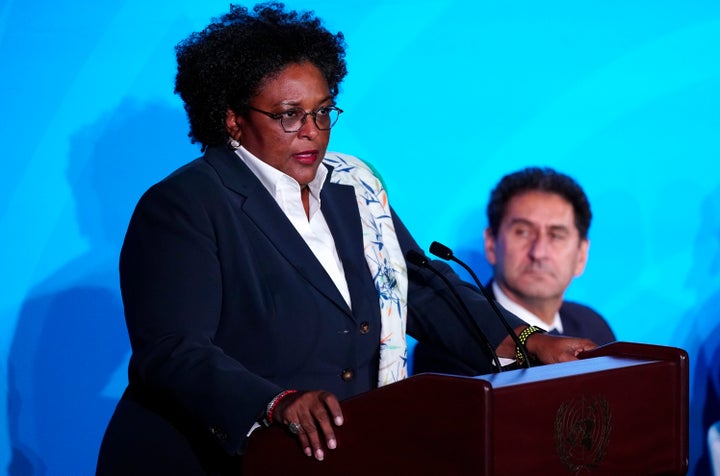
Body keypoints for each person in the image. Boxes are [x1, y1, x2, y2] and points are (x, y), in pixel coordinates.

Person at [95, 5, 597, 475]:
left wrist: (529, 341)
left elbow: (415, 288)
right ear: (233, 119)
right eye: (289, 114)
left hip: (331, 456)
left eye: (322, 112)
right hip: (209, 460)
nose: (312, 131)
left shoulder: (351, 186)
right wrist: (274, 403)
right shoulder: (185, 205)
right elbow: (172, 351)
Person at [414, 167, 615, 375]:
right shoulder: (450, 340)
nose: (539, 252)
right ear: (491, 245)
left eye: (556, 235)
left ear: (581, 255)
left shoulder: (594, 327)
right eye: (523, 232)